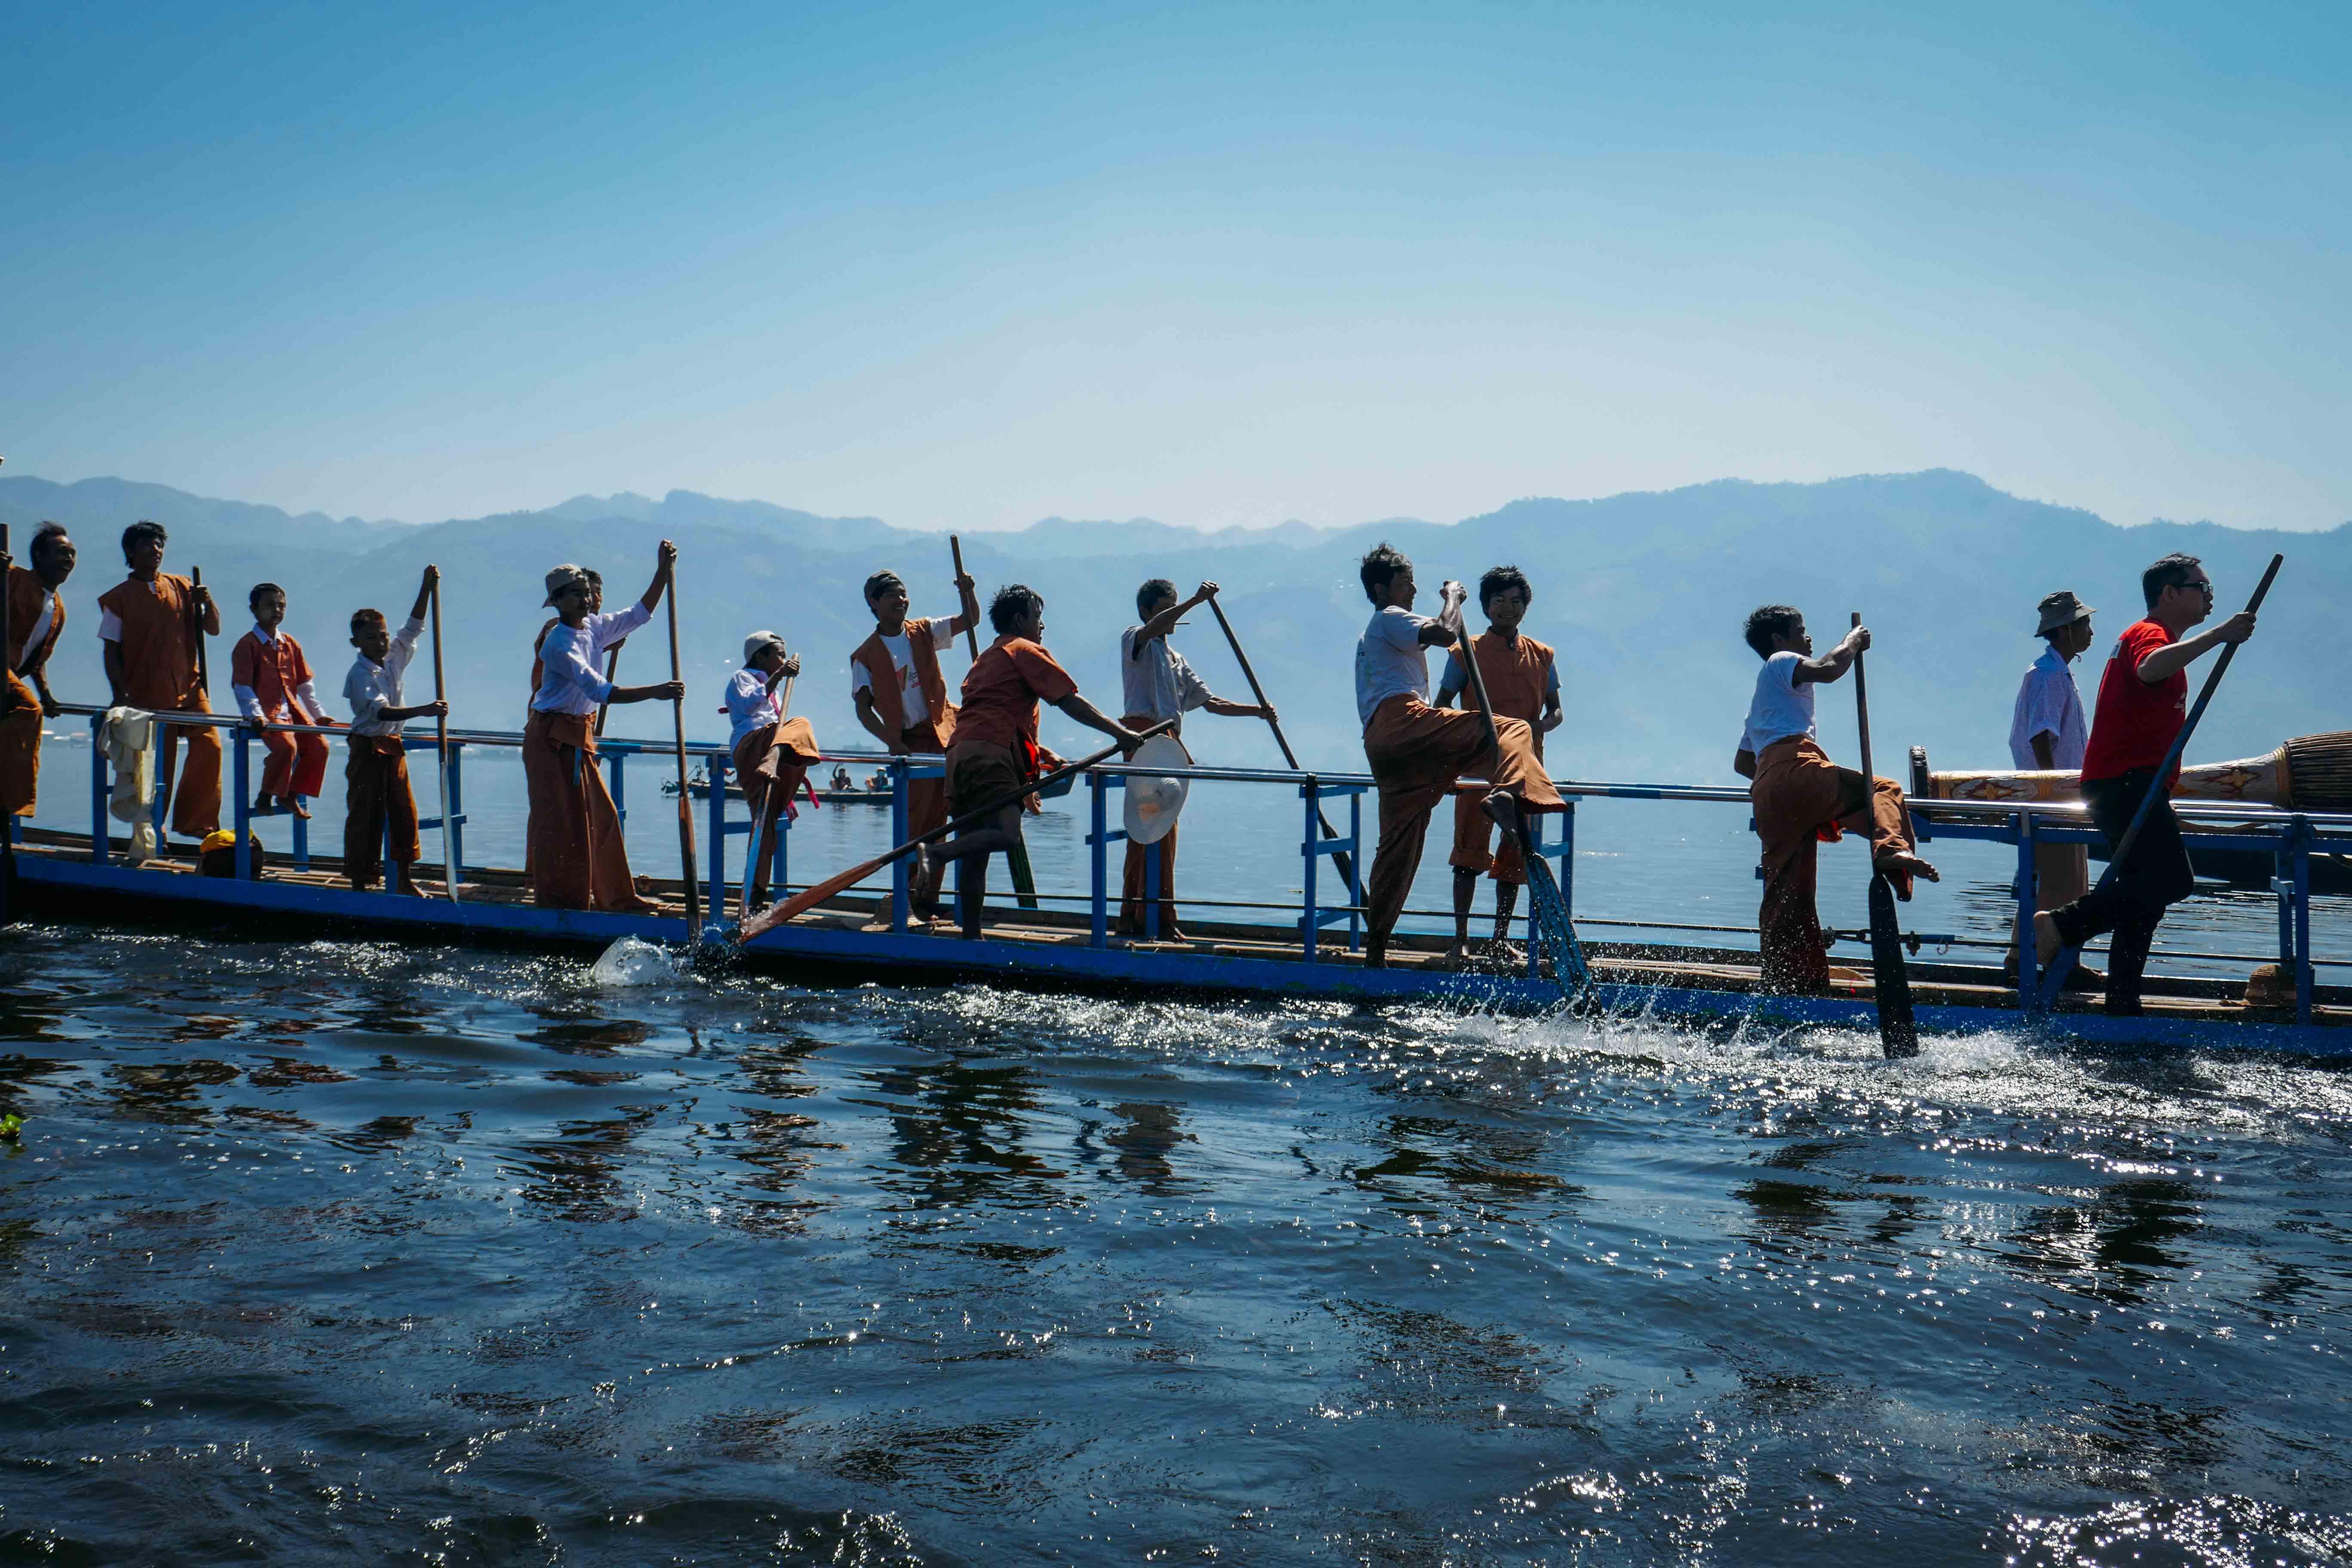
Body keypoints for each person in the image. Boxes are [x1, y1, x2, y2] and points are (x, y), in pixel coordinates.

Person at [2033, 554, 2257, 1014]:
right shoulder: (2147, 634)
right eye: (2201, 586)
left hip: (2132, 783)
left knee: (2144, 897)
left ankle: (2122, 1001)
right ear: (2170, 593)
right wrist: (2220, 636)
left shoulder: (2162, 637)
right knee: (2173, 879)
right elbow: (2148, 668)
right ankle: (2060, 925)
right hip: (2125, 782)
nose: (2210, 596)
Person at [1354, 545, 1564, 969]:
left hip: (1387, 743)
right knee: (1514, 727)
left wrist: (1444, 760)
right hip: (1406, 724)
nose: (1412, 589)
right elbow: (1446, 634)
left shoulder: (1540, 654)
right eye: (1403, 583)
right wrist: (1453, 596)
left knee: (1399, 847)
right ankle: (1506, 793)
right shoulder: (1391, 617)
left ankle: (1375, 954)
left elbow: (1554, 707)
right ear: (1381, 590)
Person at [1734, 605, 1939, 995]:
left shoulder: (1762, 704)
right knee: (1885, 790)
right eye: (1801, 631)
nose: (1808, 639)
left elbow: (1743, 763)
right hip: (1795, 767)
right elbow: (1829, 669)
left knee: (1787, 894)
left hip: (1766, 789)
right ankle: (1891, 850)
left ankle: (1791, 982)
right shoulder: (1781, 660)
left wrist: (1787, 793)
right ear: (1779, 640)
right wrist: (1853, 642)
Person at [918, 585, 1142, 939]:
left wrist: (1041, 752)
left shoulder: (989, 657)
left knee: (976, 852)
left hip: (961, 755)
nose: (1042, 626)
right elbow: (1069, 700)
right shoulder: (1023, 649)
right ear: (1020, 620)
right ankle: (936, 853)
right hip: (990, 755)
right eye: (1038, 617)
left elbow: (997, 711)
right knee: (1006, 834)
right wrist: (1121, 734)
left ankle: (972, 938)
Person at [524, 546, 684, 912]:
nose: (586, 599)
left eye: (587, 592)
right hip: (549, 740)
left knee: (603, 817)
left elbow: (641, 614)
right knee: (562, 826)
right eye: (576, 593)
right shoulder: (559, 643)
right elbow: (600, 690)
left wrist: (663, 570)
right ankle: (562, 905)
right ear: (559, 602)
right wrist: (657, 692)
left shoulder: (595, 627)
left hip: (578, 736)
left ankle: (617, 898)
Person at [1117, 578, 1272, 940]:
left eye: (1173, 609)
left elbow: (1212, 703)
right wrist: (1195, 601)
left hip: (1168, 746)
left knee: (1162, 830)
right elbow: (1154, 628)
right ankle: (1140, 916)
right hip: (1143, 740)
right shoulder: (1134, 639)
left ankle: (1151, 915)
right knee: (1145, 829)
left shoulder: (1177, 660)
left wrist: (1259, 711)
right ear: (1147, 612)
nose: (1172, 616)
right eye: (1165, 608)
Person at [1434, 565, 1563, 966]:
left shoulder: (1542, 655)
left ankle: (1500, 938)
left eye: (1515, 602)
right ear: (1487, 607)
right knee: (1469, 852)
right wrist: (1471, 731)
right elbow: (1441, 705)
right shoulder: (1464, 651)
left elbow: (1557, 712)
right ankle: (1461, 939)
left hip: (1525, 768)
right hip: (1477, 764)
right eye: (1499, 602)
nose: (1507, 609)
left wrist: (1533, 726)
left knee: (1514, 854)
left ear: (1526, 607)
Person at [851, 566, 983, 915]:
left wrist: (968, 590)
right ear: (874, 603)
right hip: (913, 744)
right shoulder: (865, 656)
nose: (901, 600)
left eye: (903, 593)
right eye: (892, 595)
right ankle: (912, 897)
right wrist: (891, 742)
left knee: (949, 819)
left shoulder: (923, 631)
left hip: (948, 732)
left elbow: (970, 619)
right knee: (921, 823)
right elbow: (864, 710)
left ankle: (930, 899)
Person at [97, 520, 220, 846]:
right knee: (158, 769)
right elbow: (111, 651)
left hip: (191, 690)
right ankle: (156, 828)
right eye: (147, 545)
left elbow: (213, 628)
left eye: (159, 545)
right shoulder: (118, 599)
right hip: (148, 694)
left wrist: (207, 603)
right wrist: (119, 695)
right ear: (130, 552)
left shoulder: (182, 586)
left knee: (212, 746)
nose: (156, 551)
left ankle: (196, 821)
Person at [2007, 589, 2098, 986]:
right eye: (2085, 624)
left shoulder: (2055, 671)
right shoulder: (2047, 674)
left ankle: (2021, 958)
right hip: (2055, 798)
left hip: (2062, 795)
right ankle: (2059, 965)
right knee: (2064, 883)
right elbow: (2041, 735)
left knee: (2054, 880)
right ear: (2066, 631)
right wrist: (2053, 787)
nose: (2091, 630)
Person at [341, 568, 445, 894]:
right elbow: (381, 710)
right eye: (372, 638)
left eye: (383, 635)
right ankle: (361, 882)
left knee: (404, 813)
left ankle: (403, 880)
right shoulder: (360, 674)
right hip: (367, 747)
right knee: (365, 815)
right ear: (356, 642)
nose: (381, 642)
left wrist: (426, 589)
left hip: (393, 746)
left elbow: (413, 628)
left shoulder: (393, 658)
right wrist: (425, 711)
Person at [726, 631, 821, 911]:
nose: (782, 658)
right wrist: (779, 675)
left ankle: (755, 895)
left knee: (764, 821)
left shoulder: (773, 686)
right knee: (801, 723)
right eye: (778, 654)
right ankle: (774, 755)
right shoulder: (742, 679)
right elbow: (749, 704)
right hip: (753, 744)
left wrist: (777, 677)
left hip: (769, 742)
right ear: (761, 656)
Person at [231, 582, 336, 819]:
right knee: (287, 747)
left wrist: (319, 714)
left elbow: (305, 686)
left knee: (320, 746)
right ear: (254, 610)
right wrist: (254, 714)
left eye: (281, 606)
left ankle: (291, 794)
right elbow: (243, 686)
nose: (277, 610)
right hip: (266, 714)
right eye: (270, 605)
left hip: (292, 712)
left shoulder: (290, 644)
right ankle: (266, 794)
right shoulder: (247, 645)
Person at [3, 523, 76, 821]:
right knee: (28, 709)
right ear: (39, 556)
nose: (69, 559)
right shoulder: (13, 578)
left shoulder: (57, 607)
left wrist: (46, 693)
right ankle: (9, 802)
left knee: (33, 707)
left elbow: (38, 658)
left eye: (72, 554)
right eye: (61, 552)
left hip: (9, 675)